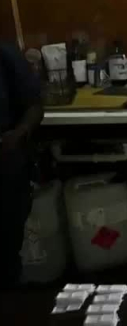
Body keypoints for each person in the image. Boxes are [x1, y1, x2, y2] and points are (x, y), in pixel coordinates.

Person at [0, 42, 43, 289]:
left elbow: (35, 106)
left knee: (6, 255)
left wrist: (18, 134)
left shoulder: (5, 54)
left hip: (6, 166)